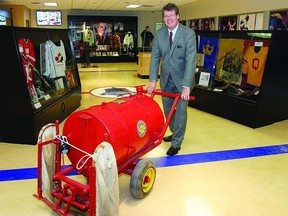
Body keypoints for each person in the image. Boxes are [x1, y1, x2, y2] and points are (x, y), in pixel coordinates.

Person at [147, 3, 197, 156]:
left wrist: (187, 86)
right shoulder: (160, 34)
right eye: (165, 16)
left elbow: (191, 61)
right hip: (166, 81)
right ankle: (176, 132)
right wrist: (152, 80)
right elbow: (155, 57)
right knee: (168, 112)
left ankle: (176, 143)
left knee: (181, 112)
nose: (168, 19)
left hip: (183, 82)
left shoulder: (188, 34)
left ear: (178, 16)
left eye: (171, 15)